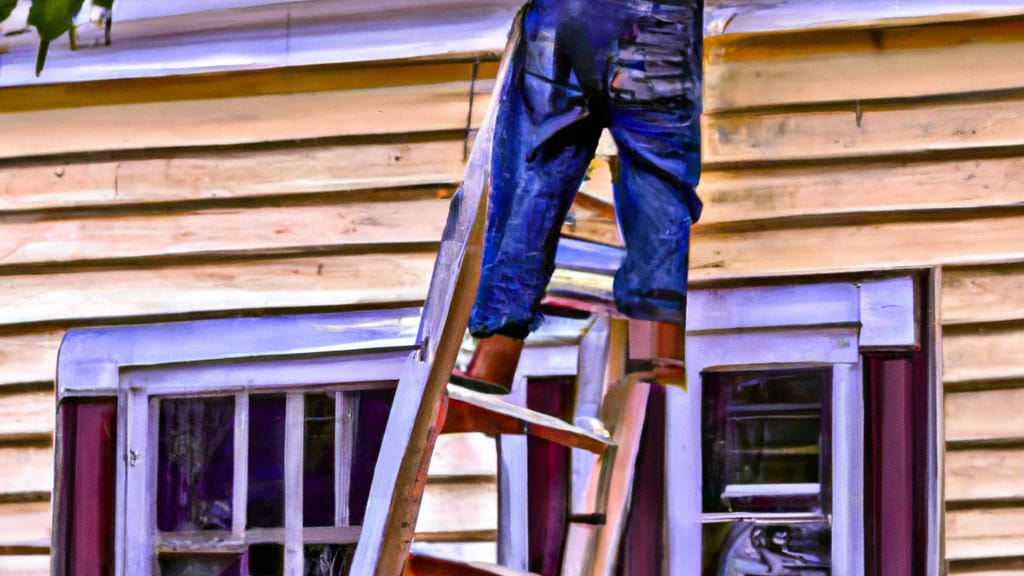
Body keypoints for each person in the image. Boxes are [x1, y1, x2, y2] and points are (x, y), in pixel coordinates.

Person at [452, 0, 704, 394]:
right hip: (659, 19)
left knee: (532, 177)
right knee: (659, 182)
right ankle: (658, 363)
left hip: (565, 11)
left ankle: (493, 360)